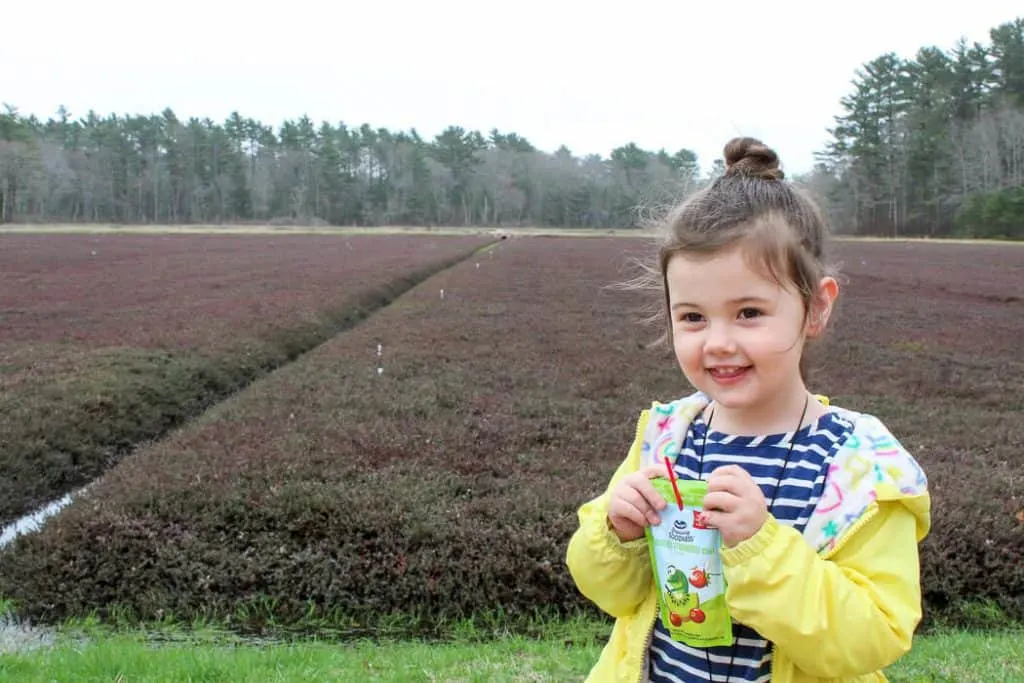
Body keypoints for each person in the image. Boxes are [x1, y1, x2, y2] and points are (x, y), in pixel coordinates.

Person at [565, 138, 931, 683]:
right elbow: (616, 595)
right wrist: (616, 535)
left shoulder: (861, 468)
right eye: (692, 317)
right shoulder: (668, 436)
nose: (717, 342)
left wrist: (763, 548)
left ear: (818, 306)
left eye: (749, 312)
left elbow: (873, 636)